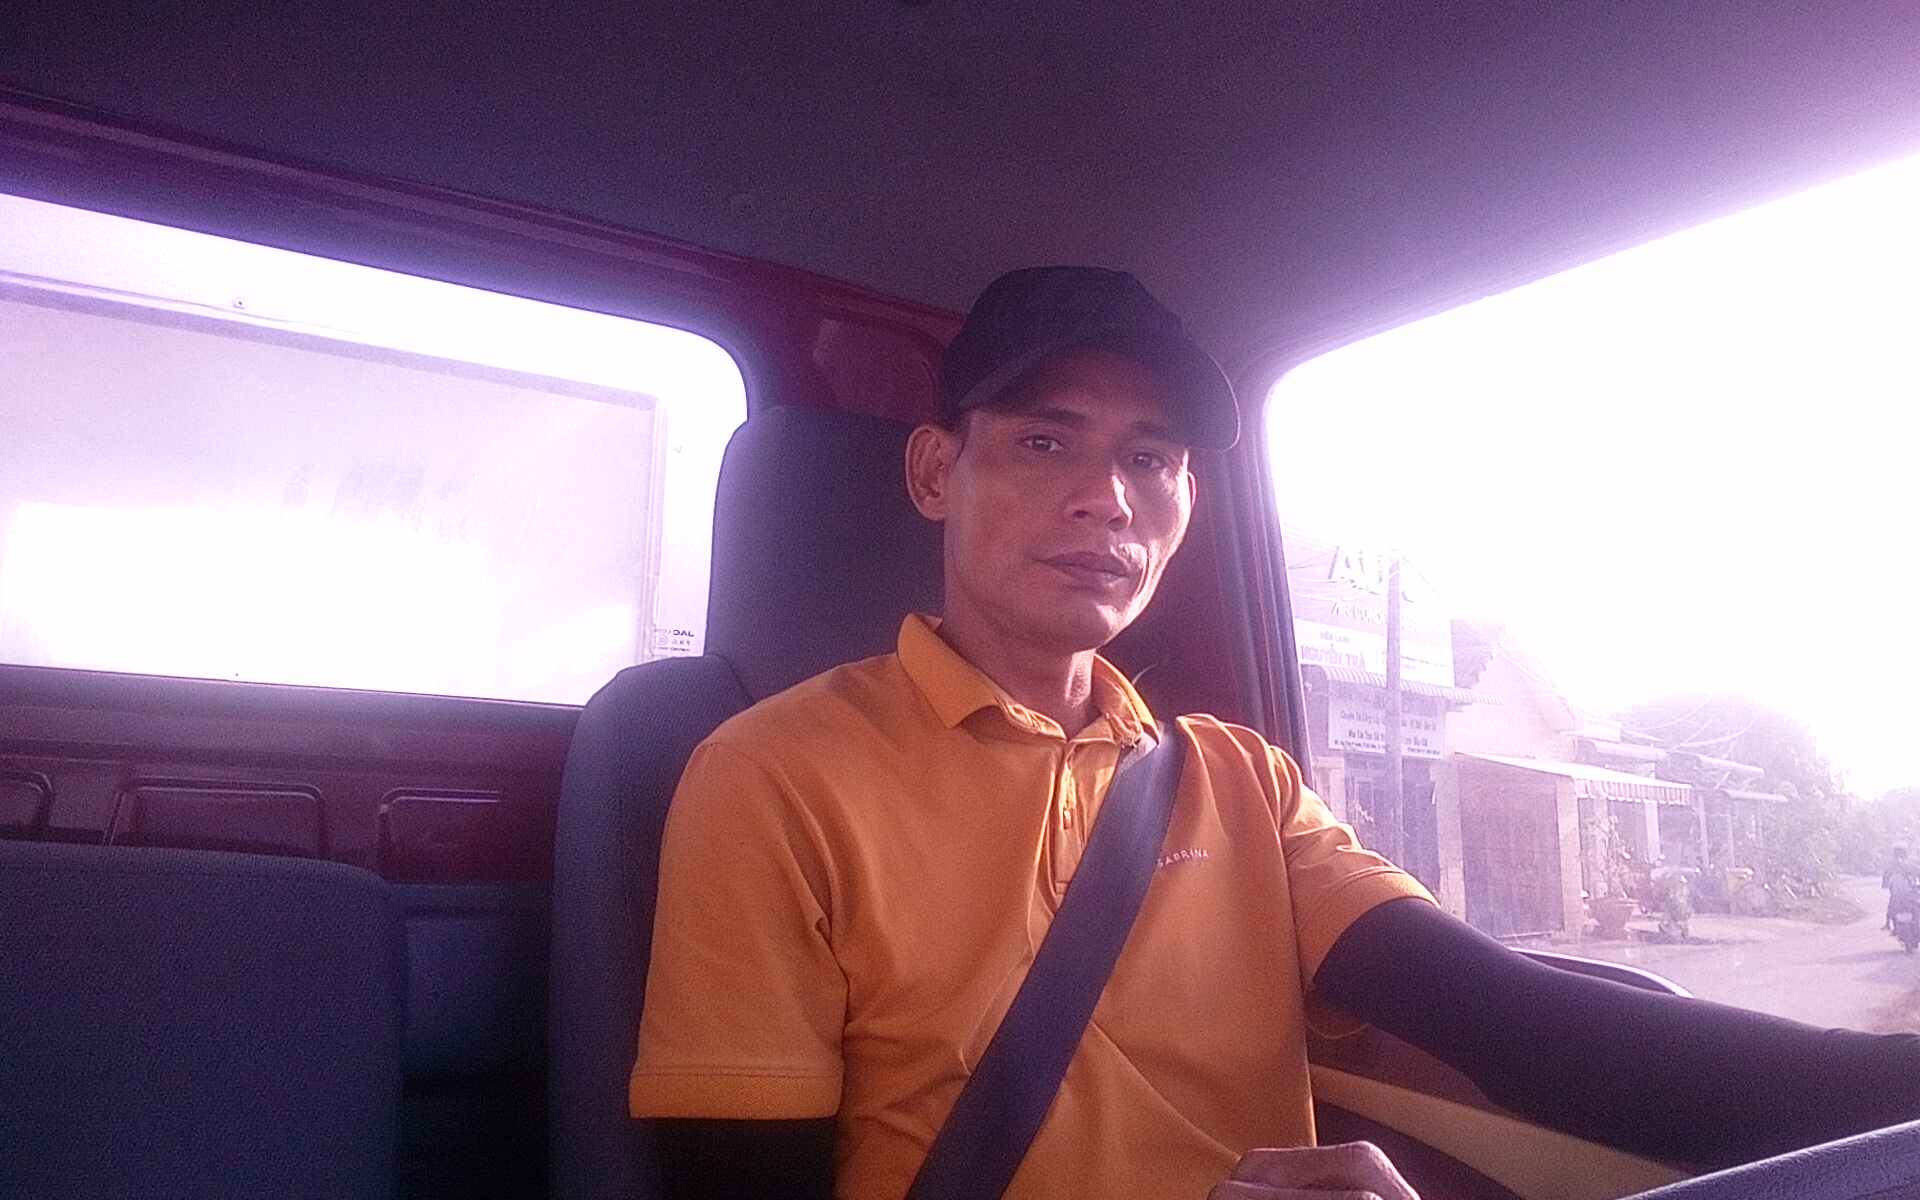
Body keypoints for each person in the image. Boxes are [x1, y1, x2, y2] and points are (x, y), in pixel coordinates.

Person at [631, 267, 1920, 1200]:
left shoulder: (1240, 780)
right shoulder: (775, 775)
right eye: (1043, 441)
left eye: (1152, 460)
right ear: (934, 473)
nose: (1106, 499)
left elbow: (1511, 1023)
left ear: (1189, 499)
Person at [1888, 844, 1917, 929]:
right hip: (1908, 892)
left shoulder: (1892, 865)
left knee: (1893, 905)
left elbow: (1887, 882)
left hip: (1899, 893)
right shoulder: (1911, 864)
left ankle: (1890, 925)